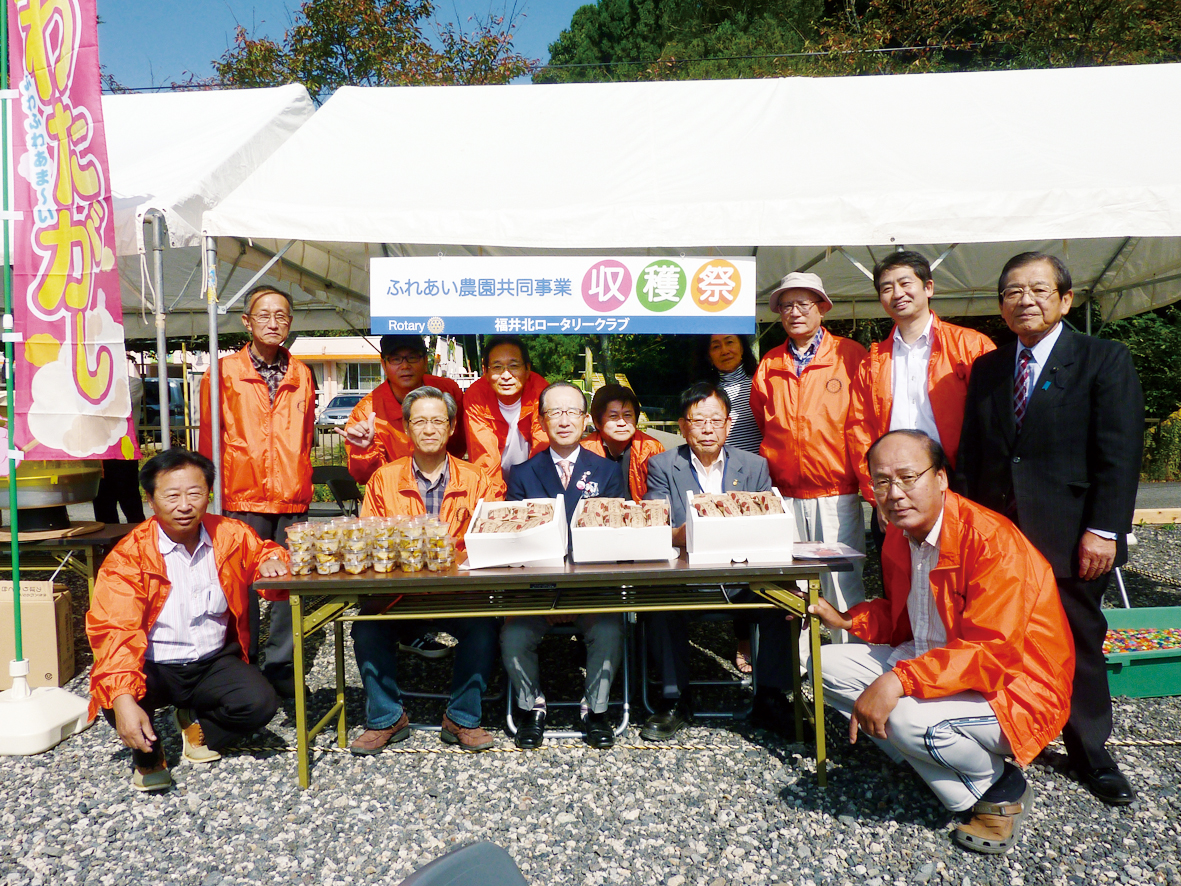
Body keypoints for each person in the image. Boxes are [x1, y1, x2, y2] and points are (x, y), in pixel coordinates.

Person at [810, 431, 1073, 853]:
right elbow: (905, 617)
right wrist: (842, 618)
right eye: (881, 481)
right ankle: (932, 760)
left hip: (1014, 685)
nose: (894, 493)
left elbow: (992, 652)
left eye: (908, 477)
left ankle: (999, 792)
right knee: (823, 664)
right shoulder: (900, 536)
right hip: (939, 666)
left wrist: (898, 681)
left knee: (902, 717)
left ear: (941, 478)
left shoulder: (991, 542)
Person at [959, 252, 1144, 807]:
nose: (1026, 301)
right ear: (1000, 304)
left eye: (1039, 290)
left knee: (1078, 636)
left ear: (1065, 299)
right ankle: (1011, 734)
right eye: (1014, 292)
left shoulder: (1102, 359)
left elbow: (1120, 455)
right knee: (999, 636)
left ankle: (1091, 749)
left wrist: (1105, 530)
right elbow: (973, 453)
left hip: (1070, 533)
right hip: (1000, 535)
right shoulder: (991, 368)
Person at [86, 449, 290, 792]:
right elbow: (114, 631)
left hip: (212, 660)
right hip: (154, 664)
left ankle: (197, 731)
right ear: (150, 500)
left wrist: (272, 559)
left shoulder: (230, 533)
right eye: (172, 495)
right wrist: (122, 699)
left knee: (259, 704)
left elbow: (264, 551)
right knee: (115, 698)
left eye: (195, 493)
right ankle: (149, 756)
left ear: (208, 494)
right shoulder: (127, 557)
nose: (184, 505)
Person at [640, 382, 799, 740]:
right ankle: (673, 699)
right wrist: (696, 527)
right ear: (682, 426)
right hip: (684, 576)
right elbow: (659, 525)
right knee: (657, 604)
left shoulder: (754, 466)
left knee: (780, 603)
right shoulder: (663, 465)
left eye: (716, 420)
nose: (707, 429)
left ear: (728, 424)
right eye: (698, 421)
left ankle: (771, 698)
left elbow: (766, 522)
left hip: (743, 575)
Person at [348, 387, 498, 754]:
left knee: (485, 625)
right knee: (367, 629)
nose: (429, 429)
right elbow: (370, 540)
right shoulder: (383, 479)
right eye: (420, 421)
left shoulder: (477, 478)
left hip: (459, 590)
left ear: (450, 428)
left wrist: (455, 559)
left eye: (438, 421)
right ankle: (385, 718)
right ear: (406, 428)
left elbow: (490, 537)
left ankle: (463, 717)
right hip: (400, 591)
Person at [198, 284, 316, 698]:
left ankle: (282, 662)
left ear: (290, 323)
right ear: (247, 322)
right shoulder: (223, 372)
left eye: (281, 315)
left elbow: (306, 435)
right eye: (264, 314)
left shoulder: (302, 373)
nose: (272, 322)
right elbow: (209, 436)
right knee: (240, 585)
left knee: (288, 586)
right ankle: (239, 661)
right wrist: (209, 493)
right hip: (241, 494)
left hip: (292, 493)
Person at [500, 381, 626, 750]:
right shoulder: (523, 473)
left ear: (586, 419)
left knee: (609, 631)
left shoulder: (607, 471)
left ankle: (596, 710)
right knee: (513, 636)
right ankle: (531, 706)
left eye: (572, 411)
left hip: (590, 589)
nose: (564, 419)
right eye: (554, 411)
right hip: (537, 591)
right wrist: (549, 594)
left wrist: (574, 595)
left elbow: (613, 539)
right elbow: (516, 543)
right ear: (541, 420)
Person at [750, 271, 869, 645]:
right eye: (786, 306)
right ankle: (799, 668)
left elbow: (865, 420)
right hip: (783, 494)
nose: (794, 312)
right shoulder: (769, 363)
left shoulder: (851, 356)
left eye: (803, 304)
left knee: (841, 580)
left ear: (822, 308)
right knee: (793, 584)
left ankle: (846, 663)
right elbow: (761, 420)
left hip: (837, 491)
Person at [847, 251, 995, 538]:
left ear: (928, 287)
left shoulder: (971, 345)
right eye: (887, 288)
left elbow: (994, 423)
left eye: (905, 283)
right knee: (902, 575)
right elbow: (858, 430)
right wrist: (874, 491)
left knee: (959, 569)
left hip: (958, 479)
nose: (897, 293)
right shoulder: (872, 361)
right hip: (895, 485)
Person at [699, 334, 763, 673]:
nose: (724, 351)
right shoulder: (702, 387)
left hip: (753, 476)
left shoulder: (761, 379)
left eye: (730, 342)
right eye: (715, 346)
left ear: (743, 345)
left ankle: (744, 638)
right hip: (712, 476)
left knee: (748, 562)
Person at [338, 334, 466, 485]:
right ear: (384, 365)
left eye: (412, 357)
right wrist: (365, 450)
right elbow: (365, 478)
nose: (405, 366)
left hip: (448, 485)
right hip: (396, 493)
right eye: (396, 359)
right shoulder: (367, 411)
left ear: (426, 362)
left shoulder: (447, 391)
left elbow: (460, 443)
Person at [463, 335, 549, 495]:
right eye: (497, 367)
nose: (506, 376)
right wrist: (495, 507)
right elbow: (484, 456)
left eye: (514, 366)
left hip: (532, 478)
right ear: (485, 371)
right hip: (494, 478)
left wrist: (534, 497)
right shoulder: (476, 396)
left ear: (528, 369)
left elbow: (542, 447)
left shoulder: (542, 392)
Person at [581, 383, 664, 502]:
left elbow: (660, 495)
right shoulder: (584, 450)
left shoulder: (651, 448)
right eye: (613, 416)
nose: (622, 423)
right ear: (597, 422)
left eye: (627, 415)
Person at [94, 360, 146, 524]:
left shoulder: (132, 382)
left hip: (124, 451)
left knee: (130, 502)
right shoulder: (94, 386)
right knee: (103, 502)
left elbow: (119, 405)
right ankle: (108, 546)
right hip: (99, 452)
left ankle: (140, 542)